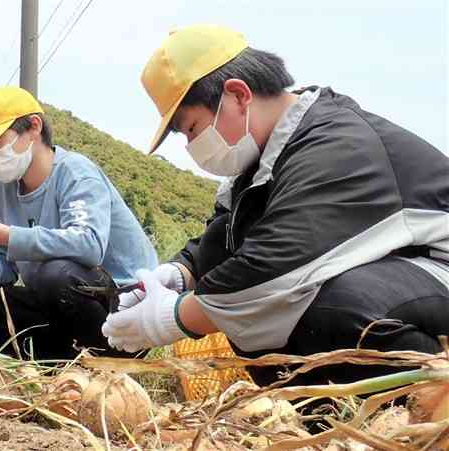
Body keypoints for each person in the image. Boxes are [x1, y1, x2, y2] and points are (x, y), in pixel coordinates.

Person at [102, 24, 449, 388]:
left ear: (237, 95)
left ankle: (422, 407)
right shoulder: (261, 167)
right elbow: (225, 238)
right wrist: (179, 273)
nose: (191, 145)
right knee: (252, 308)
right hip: (403, 277)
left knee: (330, 305)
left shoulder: (337, 144)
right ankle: (318, 416)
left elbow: (272, 265)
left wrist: (171, 318)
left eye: (192, 129)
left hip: (436, 268)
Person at [0, 86, 158, 361]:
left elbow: (88, 244)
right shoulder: (3, 192)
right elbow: (4, 266)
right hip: (58, 305)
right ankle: (58, 365)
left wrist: (0, 233)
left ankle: (111, 363)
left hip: (122, 309)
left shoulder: (76, 173)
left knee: (56, 273)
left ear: (33, 127)